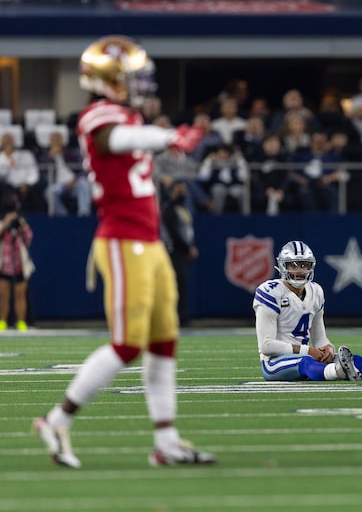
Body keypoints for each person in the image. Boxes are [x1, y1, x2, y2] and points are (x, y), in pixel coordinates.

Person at [33, 35, 215, 469]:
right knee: (127, 344)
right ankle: (57, 420)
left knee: (163, 341)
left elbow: (132, 133)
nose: (138, 83)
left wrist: (163, 134)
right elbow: (117, 139)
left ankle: (166, 441)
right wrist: (170, 135)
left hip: (149, 241)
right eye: (130, 76)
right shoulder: (99, 116)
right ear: (109, 80)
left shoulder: (127, 115)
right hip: (120, 240)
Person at [254, 240, 362, 382]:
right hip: (274, 363)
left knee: (355, 360)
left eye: (304, 265)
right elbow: (267, 346)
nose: (300, 270)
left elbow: (319, 338)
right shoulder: (270, 292)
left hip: (306, 355)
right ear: (283, 266)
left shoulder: (316, 291)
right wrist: (308, 351)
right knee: (306, 362)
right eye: (293, 265)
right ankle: (338, 372)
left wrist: (327, 349)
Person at [161, 181, 198, 327]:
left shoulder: (183, 209)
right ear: (171, 191)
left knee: (182, 285)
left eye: (184, 189)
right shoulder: (168, 209)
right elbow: (173, 233)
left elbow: (186, 231)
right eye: (179, 189)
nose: (182, 192)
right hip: (173, 252)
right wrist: (187, 247)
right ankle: (176, 317)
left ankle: (181, 316)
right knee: (175, 285)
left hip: (182, 252)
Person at [0, 193, 33, 332]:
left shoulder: (21, 226)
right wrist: (6, 223)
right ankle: (2, 322)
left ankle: (21, 322)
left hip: (20, 265)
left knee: (20, 295)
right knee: (3, 295)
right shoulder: (2, 224)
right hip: (4, 265)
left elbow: (28, 241)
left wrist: (23, 227)